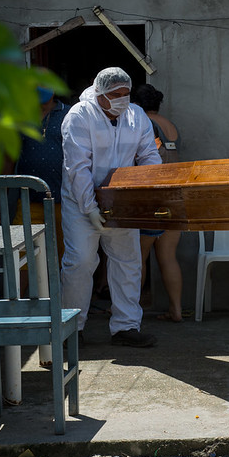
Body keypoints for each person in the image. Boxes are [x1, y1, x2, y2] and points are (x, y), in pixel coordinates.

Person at [60, 67, 161, 347]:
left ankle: (126, 327)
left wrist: (148, 192)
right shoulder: (79, 116)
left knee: (127, 263)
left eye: (126, 94)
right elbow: (77, 167)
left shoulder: (136, 115)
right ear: (100, 94)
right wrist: (90, 208)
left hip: (120, 203)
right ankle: (72, 329)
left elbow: (149, 155)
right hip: (81, 204)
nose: (122, 100)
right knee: (80, 262)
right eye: (115, 95)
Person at [0, 87, 70, 269]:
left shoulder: (69, 114)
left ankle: (63, 298)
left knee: (66, 257)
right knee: (21, 256)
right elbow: (9, 157)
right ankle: (20, 297)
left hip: (65, 202)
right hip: (28, 200)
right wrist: (2, 197)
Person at [131, 84, 184, 322]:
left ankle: (132, 311)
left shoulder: (145, 124)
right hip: (175, 196)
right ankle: (176, 309)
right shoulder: (170, 125)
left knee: (137, 258)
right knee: (168, 257)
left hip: (153, 197)